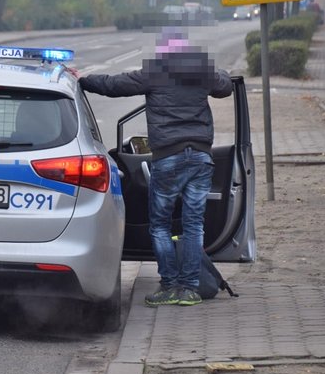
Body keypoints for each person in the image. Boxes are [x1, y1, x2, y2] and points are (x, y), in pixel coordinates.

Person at [68, 32, 233, 307]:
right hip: (200, 158)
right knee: (194, 225)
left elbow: (113, 85)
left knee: (160, 226)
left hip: (168, 157)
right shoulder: (202, 72)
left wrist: (82, 79)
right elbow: (226, 86)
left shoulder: (156, 72)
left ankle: (169, 285)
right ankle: (189, 289)